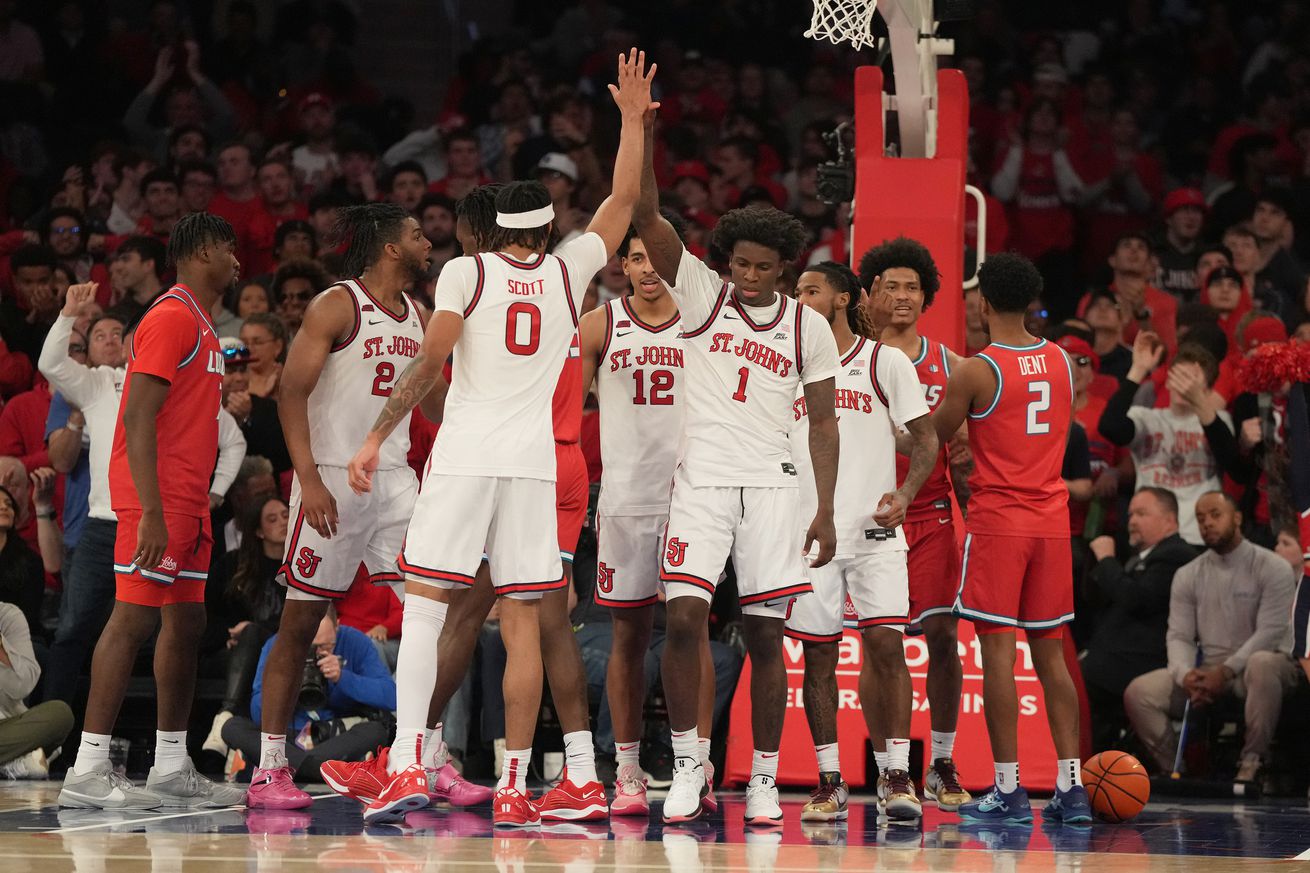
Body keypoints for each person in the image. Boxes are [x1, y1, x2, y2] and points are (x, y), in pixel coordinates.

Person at [339, 52, 653, 827]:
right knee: (523, 622)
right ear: (546, 228)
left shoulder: (464, 275)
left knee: (425, 607)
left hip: (469, 457)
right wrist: (632, 120)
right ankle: (520, 781)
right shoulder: (568, 271)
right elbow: (620, 199)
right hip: (536, 468)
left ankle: (410, 758)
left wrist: (378, 433)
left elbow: (429, 359)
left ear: (487, 230)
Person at [633, 122, 841, 824]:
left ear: (784, 266)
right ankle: (691, 764)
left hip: (777, 487)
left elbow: (823, 422)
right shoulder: (698, 293)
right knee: (684, 616)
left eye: (763, 267)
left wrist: (827, 508)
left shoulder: (808, 327)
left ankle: (761, 778)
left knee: (763, 635)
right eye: (740, 264)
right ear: (726, 261)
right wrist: (641, 130)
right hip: (704, 480)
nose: (748, 276)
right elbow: (645, 215)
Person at [246, 203, 431, 811]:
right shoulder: (337, 305)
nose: (427, 241)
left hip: (396, 476)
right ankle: (270, 769)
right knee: (300, 624)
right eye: (416, 235)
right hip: (330, 475)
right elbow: (289, 395)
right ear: (388, 248)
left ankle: (426, 757)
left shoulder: (419, 315)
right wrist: (310, 481)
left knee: (435, 612)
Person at [58, 212, 246, 810]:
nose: (239, 262)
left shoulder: (202, 323)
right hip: (157, 500)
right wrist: (153, 511)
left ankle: (170, 764)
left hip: (190, 500)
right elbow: (136, 417)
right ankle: (88, 767)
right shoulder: (169, 316)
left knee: (186, 626)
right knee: (131, 621)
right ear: (203, 251)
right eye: (230, 250)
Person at [931, 252, 1089, 824]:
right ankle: (1071, 790)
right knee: (1051, 657)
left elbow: (932, 437)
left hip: (999, 522)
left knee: (996, 655)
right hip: (1051, 522)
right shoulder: (1063, 361)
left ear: (983, 304)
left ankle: (1009, 789)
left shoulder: (977, 369)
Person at [783, 262, 937, 823]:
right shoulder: (787, 366)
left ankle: (896, 774)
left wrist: (906, 492)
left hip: (875, 533)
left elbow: (926, 437)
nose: (799, 299)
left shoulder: (884, 361)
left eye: (811, 290)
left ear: (843, 299)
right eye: (796, 291)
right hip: (811, 535)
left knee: (887, 651)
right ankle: (829, 780)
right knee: (817, 660)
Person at [577, 215, 718, 817]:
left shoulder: (705, 321)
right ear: (623, 266)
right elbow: (564, 413)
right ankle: (628, 769)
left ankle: (699, 763)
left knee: (693, 631)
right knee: (629, 637)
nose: (647, 268)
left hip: (694, 498)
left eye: (655, 257)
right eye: (635, 258)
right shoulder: (600, 325)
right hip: (626, 500)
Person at [859, 236, 972, 813]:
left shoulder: (949, 362)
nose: (903, 296)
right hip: (868, 518)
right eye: (892, 285)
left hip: (929, 514)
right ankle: (889, 771)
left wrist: (973, 517)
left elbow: (965, 450)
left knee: (944, 637)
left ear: (927, 296)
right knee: (878, 646)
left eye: (913, 287)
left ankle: (945, 760)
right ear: (872, 292)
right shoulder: (852, 354)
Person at [1124, 491, 1299, 784]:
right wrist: (1185, 675)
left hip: (1256, 668)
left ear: (1238, 517)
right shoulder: (1188, 573)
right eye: (1201, 518)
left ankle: (1251, 762)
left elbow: (1270, 632)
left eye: (1216, 515)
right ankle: (1177, 768)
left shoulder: (1272, 566)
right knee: (1140, 692)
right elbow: (1179, 635)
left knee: (1262, 663)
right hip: (1208, 670)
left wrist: (1226, 670)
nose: (1207, 524)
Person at [37, 291, 127, 706]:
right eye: (99, 335)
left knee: (151, 632)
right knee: (72, 630)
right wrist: (69, 313)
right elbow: (51, 364)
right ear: (88, 350)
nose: (110, 339)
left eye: (118, 333)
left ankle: (163, 745)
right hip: (97, 526)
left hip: (149, 523)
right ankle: (52, 738)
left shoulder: (157, 383)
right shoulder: (93, 385)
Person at [1080, 488, 1197, 751]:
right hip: (1115, 658)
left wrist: (1108, 561)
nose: (1132, 520)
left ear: (1169, 520)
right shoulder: (1138, 559)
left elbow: (1137, 599)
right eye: (1131, 513)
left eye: (1142, 513)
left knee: (1078, 679)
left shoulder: (1176, 555)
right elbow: (1096, 599)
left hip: (1144, 662)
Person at [223, 608, 395, 783]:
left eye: (326, 646)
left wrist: (343, 677)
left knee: (376, 731)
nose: (317, 653)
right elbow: (257, 711)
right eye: (310, 646)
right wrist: (287, 683)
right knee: (231, 726)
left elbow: (390, 696)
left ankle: (285, 768)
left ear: (337, 626)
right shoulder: (279, 644)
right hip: (287, 736)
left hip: (331, 735)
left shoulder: (355, 641)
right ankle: (324, 770)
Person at [1098, 337, 1234, 545]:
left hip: (1199, 537)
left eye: (1192, 379)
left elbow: (1231, 461)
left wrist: (1199, 401)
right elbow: (1109, 427)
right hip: (1152, 537)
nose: (1184, 385)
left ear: (1206, 387)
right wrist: (1138, 370)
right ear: (1168, 380)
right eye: (1179, 376)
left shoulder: (1217, 420)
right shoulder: (1146, 418)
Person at [201, 495, 289, 757]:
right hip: (227, 652)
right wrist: (226, 635)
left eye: (286, 515)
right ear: (259, 531)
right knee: (247, 638)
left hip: (278, 652)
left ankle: (225, 718)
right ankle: (227, 716)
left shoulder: (300, 567)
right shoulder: (232, 565)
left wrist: (253, 627)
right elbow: (205, 614)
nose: (283, 522)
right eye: (273, 519)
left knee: (252, 633)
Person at [0, 601, 73, 779]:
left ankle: (12, 759)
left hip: (7, 727)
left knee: (59, 714)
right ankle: (14, 761)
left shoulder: (8, 616)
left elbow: (23, 686)